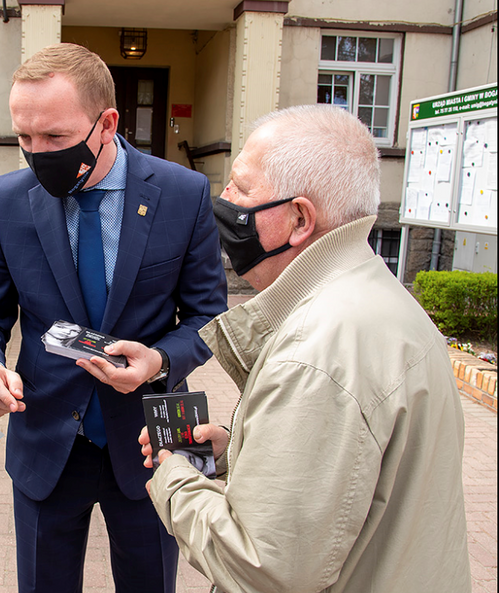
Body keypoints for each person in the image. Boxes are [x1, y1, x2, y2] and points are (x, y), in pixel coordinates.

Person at [139, 104, 472, 592]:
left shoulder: (317, 351)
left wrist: (174, 479)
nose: (224, 199)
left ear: (299, 219)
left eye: (242, 188)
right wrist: (237, 451)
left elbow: (262, 568)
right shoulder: (374, 294)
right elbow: (355, 474)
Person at [0, 43, 228, 593]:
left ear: (107, 123)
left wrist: (158, 359)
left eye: (55, 138)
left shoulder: (183, 193)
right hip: (46, 440)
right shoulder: (8, 199)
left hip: (155, 439)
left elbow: (208, 315)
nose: (37, 154)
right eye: (25, 138)